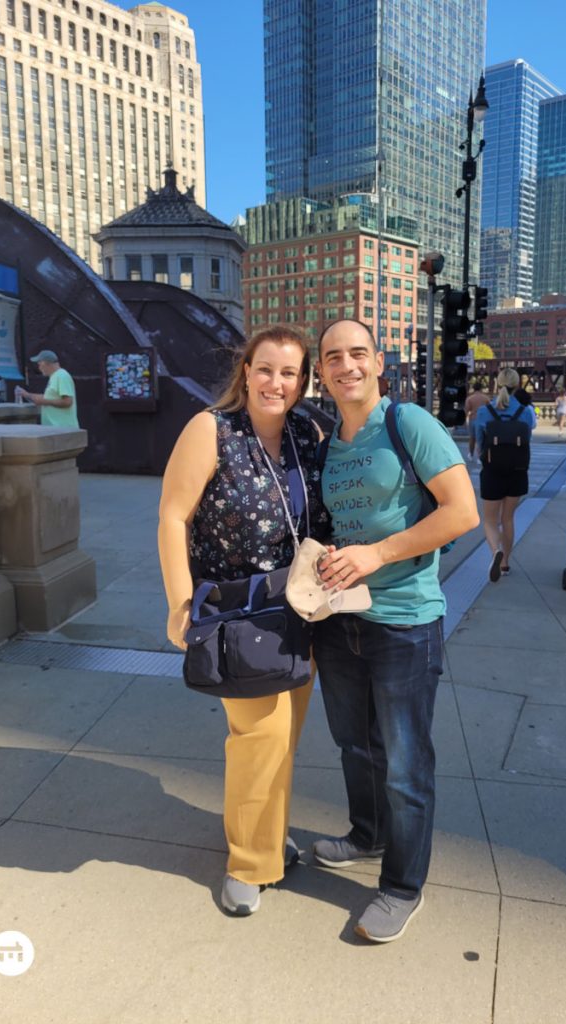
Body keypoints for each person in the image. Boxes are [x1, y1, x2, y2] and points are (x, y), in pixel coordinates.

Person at [310, 318, 479, 944]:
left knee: (406, 764)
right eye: (333, 357)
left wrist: (377, 555)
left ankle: (403, 886)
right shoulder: (330, 443)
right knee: (355, 745)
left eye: (358, 353)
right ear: (321, 372)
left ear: (379, 362)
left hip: (405, 621)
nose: (346, 365)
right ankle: (367, 834)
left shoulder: (410, 425)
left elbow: (463, 513)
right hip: (341, 617)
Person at [157, 325, 330, 915]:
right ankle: (250, 864)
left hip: (298, 609)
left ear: (303, 381)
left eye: (289, 373)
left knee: (285, 737)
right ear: (245, 371)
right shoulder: (211, 429)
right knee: (260, 734)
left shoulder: (308, 434)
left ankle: (265, 828)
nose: (276, 382)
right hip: (236, 612)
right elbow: (173, 516)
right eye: (265, 369)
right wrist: (180, 602)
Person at [474, 367, 536, 581]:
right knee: (508, 518)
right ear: (517, 385)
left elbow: (480, 443)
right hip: (517, 471)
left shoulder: (484, 412)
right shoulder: (526, 412)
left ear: (497, 385)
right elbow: (528, 436)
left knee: (490, 520)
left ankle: (494, 553)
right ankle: (506, 563)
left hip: (492, 471)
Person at [16, 349, 79, 427]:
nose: (39, 368)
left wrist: (44, 401)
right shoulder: (55, 376)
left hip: (63, 429)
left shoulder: (62, 376)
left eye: (39, 364)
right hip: (55, 430)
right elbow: (48, 397)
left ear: (46, 363)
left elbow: (67, 402)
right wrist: (26, 394)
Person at [464, 380, 491, 461]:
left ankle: (471, 454)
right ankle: (480, 456)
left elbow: (466, 410)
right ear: (481, 389)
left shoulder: (470, 398)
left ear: (474, 389)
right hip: (483, 420)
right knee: (481, 439)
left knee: (472, 438)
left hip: (472, 419)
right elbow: (490, 410)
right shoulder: (486, 398)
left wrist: (464, 422)